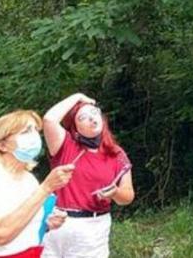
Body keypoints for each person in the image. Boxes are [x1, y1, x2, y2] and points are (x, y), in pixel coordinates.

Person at [0, 110, 74, 258]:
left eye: (35, 130)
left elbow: (22, 221)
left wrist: (46, 223)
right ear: (2, 145)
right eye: (25, 131)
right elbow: (0, 235)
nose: (34, 137)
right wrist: (46, 188)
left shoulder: (28, 180)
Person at [41, 93, 134, 258]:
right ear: (75, 127)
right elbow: (49, 120)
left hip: (92, 227)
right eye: (83, 117)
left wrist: (114, 193)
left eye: (94, 112)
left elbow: (127, 196)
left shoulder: (116, 154)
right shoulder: (65, 145)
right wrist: (77, 97)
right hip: (55, 223)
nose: (91, 118)